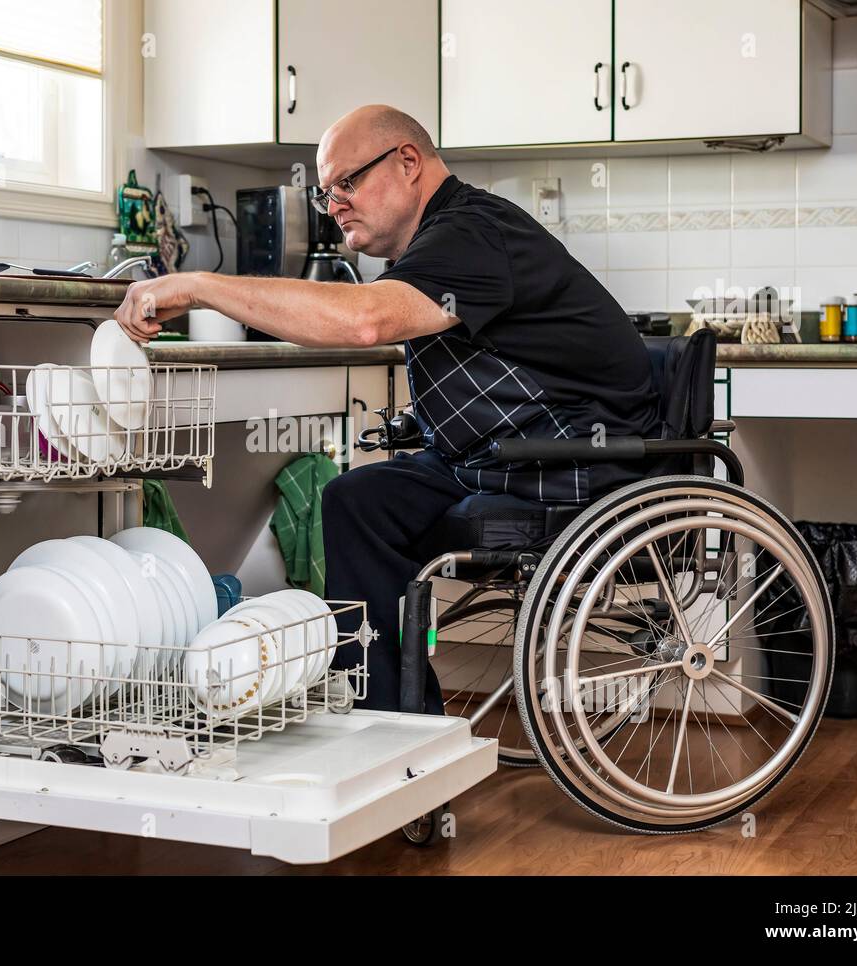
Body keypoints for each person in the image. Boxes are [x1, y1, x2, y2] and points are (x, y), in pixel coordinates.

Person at [115, 104, 657, 713]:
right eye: (327, 193)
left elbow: (365, 321)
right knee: (355, 500)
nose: (336, 202)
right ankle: (389, 716)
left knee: (364, 501)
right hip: (501, 455)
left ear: (407, 163)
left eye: (347, 182)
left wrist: (200, 285)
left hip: (571, 462)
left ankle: (392, 722)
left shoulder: (472, 232)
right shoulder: (436, 243)